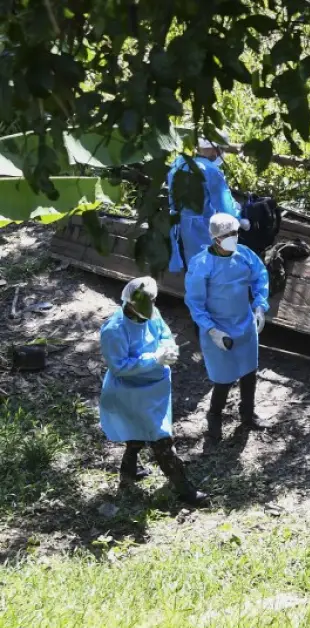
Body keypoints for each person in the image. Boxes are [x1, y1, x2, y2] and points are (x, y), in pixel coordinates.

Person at [99, 278, 208, 506]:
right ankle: (183, 488)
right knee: (161, 439)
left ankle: (128, 472)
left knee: (137, 434)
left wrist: (168, 349)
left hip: (154, 387)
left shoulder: (152, 313)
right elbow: (119, 367)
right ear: (129, 302)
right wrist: (153, 359)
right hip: (131, 392)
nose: (149, 306)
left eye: (151, 301)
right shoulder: (114, 329)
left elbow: (164, 334)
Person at [184, 212, 271, 443]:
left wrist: (260, 306)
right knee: (223, 378)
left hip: (244, 323)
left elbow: (260, 276)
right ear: (215, 238)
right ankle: (214, 418)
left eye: (235, 233)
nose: (233, 238)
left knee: (249, 372)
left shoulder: (244, 255)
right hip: (218, 327)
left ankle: (248, 414)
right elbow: (195, 303)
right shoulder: (202, 264)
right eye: (227, 235)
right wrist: (212, 330)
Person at [167, 138, 249, 273]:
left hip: (177, 225)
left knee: (190, 268)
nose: (220, 153)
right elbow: (224, 205)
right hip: (200, 229)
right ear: (212, 147)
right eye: (221, 149)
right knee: (206, 269)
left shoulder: (178, 162)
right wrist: (240, 219)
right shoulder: (210, 170)